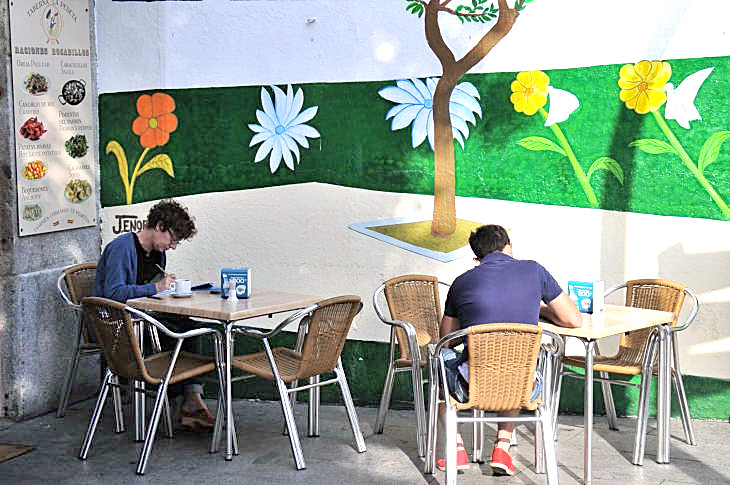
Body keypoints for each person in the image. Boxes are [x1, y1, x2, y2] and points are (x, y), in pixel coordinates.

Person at [437, 224, 581, 476]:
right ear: (510, 248)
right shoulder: (535, 271)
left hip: (471, 387)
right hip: (526, 387)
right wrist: (540, 309)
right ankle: (502, 448)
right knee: (517, 367)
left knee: (440, 361)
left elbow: (446, 340)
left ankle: (457, 450)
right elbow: (573, 319)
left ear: (477, 258)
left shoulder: (462, 282)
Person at [92, 199, 214, 430]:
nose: (174, 246)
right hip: (115, 323)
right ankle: (184, 402)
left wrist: (167, 289)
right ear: (159, 226)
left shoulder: (158, 255)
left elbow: (149, 293)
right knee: (176, 334)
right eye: (173, 239)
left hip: (140, 317)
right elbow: (113, 294)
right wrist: (156, 288)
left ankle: (190, 398)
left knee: (191, 328)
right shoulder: (122, 248)